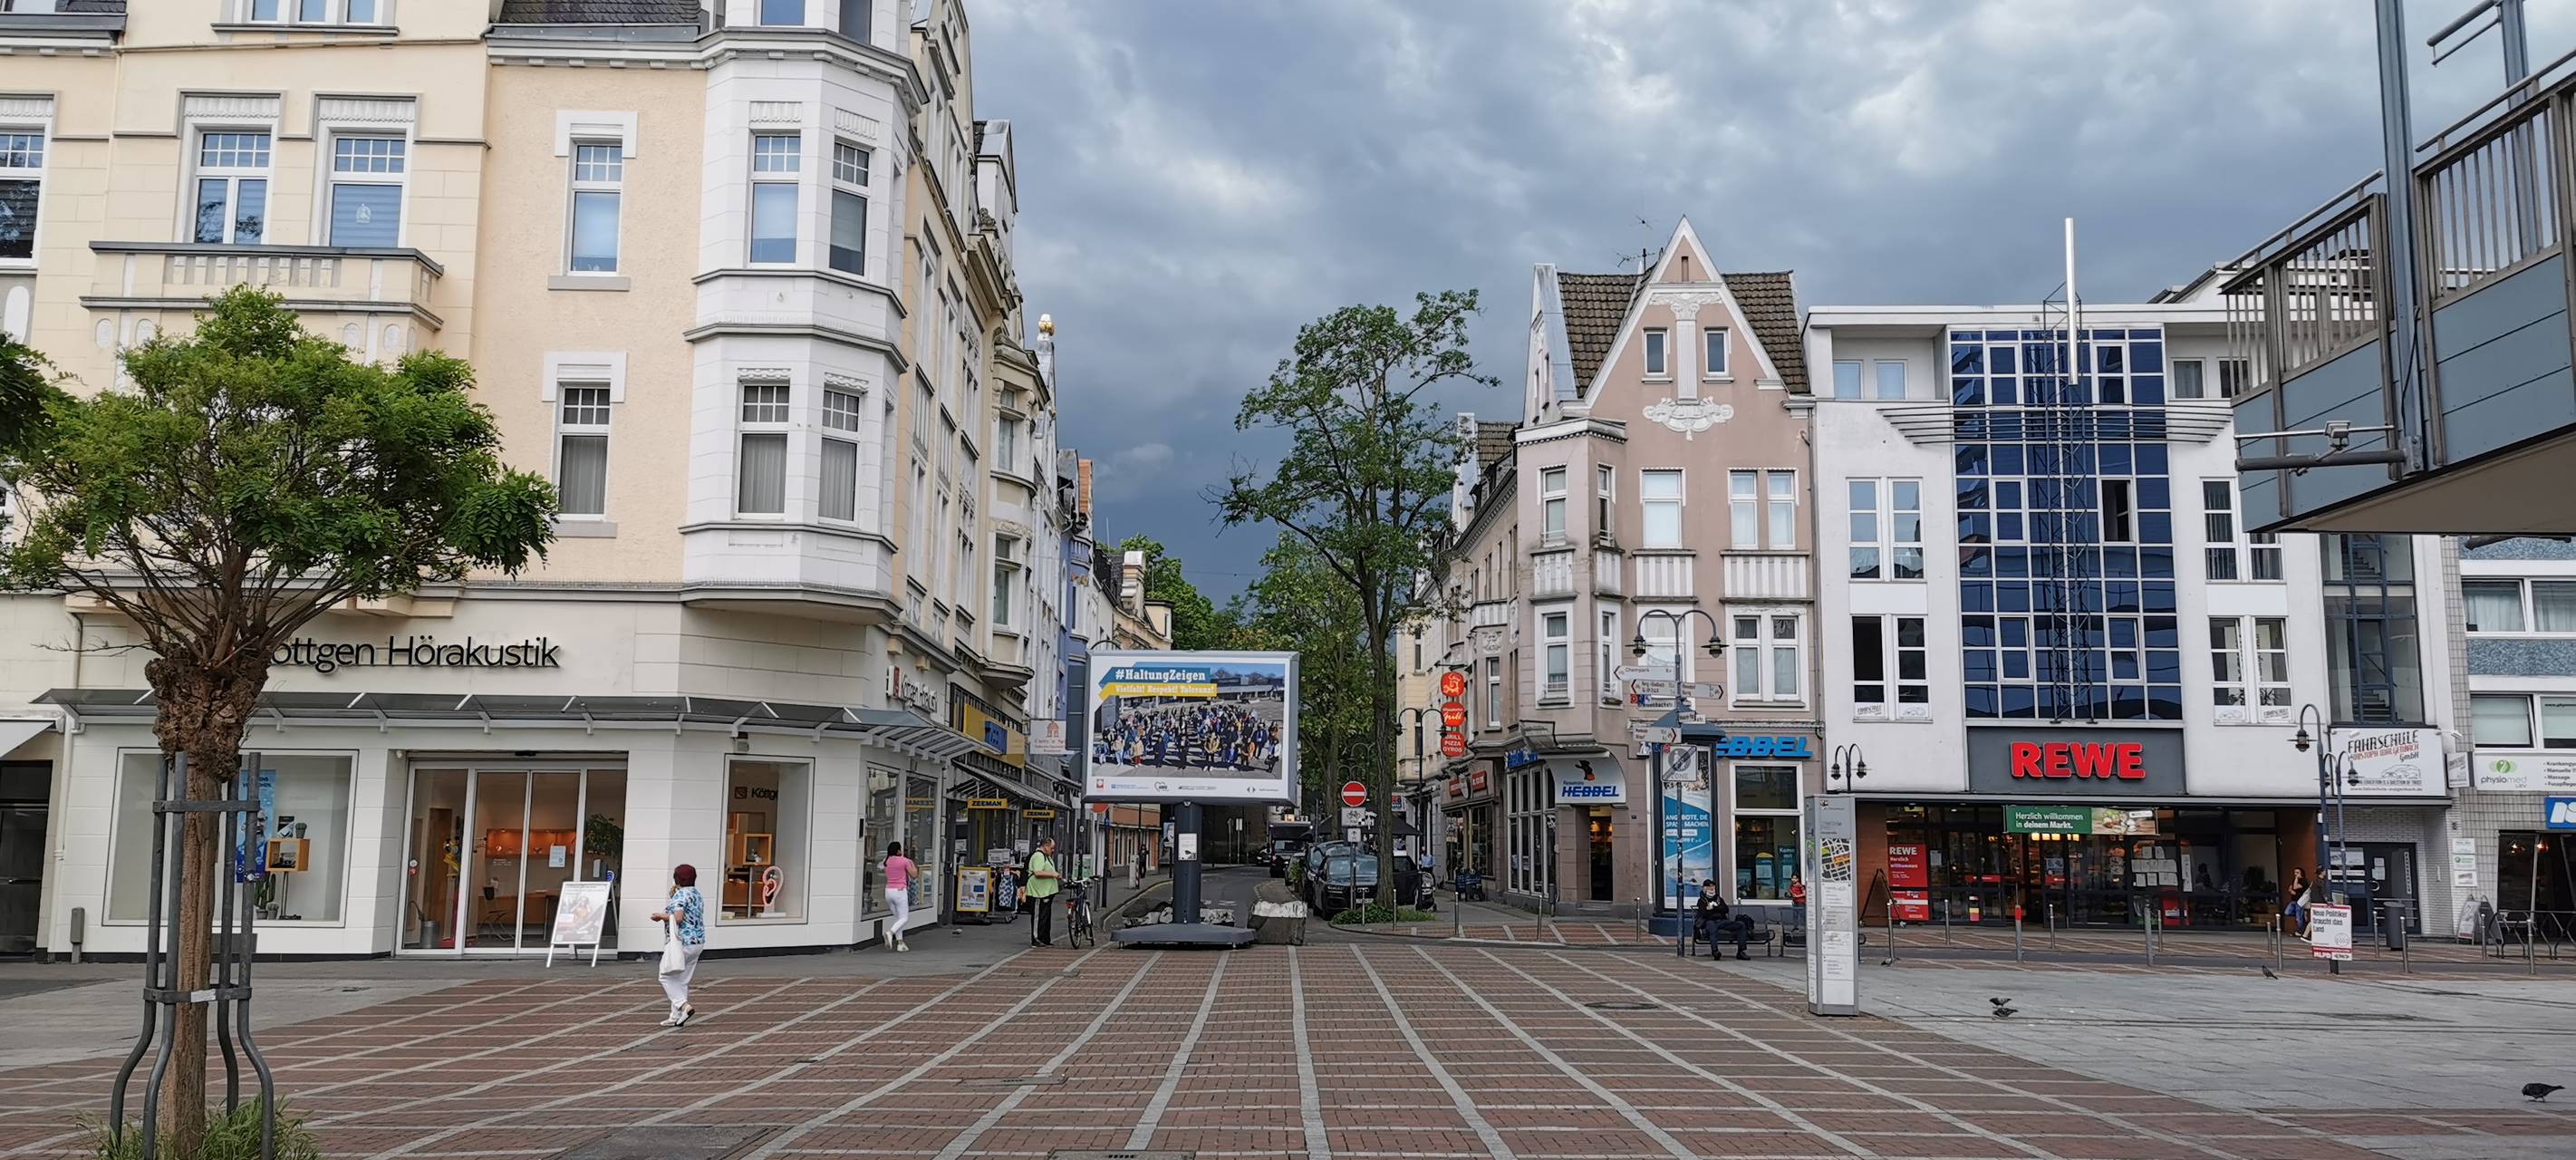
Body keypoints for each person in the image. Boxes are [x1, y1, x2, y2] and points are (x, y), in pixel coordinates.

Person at [648, 864, 707, 1027]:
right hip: (698, 941)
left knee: (665, 975)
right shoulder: (697, 894)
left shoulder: (680, 895)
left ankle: (684, 1006)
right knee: (681, 980)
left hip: (682, 942)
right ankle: (675, 1016)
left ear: (677, 878)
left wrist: (661, 916)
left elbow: (678, 918)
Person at [1693, 878, 1755, 960]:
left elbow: (1725, 909)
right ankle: (1715, 951)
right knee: (1712, 928)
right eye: (1709, 888)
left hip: (1721, 921)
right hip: (1709, 921)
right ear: (1704, 888)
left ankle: (1741, 951)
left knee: (1741, 925)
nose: (1712, 890)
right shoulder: (1701, 901)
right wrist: (1717, 910)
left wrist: (1713, 908)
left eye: (1713, 888)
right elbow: (1705, 914)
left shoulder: (1719, 899)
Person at [1027, 837, 1063, 946]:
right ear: (1045, 846)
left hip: (1046, 892)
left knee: (1045, 915)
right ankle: (1036, 939)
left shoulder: (1046, 857)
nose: (1053, 851)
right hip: (1038, 892)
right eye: (1052, 848)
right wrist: (1053, 875)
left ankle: (1044, 938)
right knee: (1039, 915)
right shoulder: (1038, 856)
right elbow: (1037, 872)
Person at [882, 841, 916, 952]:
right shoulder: (904, 861)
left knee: (898, 918)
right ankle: (890, 933)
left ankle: (900, 943)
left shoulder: (885, 861)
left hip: (888, 891)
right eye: (900, 849)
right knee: (904, 918)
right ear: (898, 851)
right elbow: (914, 875)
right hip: (900, 891)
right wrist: (912, 863)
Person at [2285, 866, 2311, 939]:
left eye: (2297, 873)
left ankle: (2299, 932)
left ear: (2301, 873)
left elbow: (2295, 887)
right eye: (2295, 873)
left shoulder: (2304, 881)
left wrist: (2297, 879)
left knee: (2299, 918)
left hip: (2299, 902)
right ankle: (2301, 915)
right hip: (2293, 900)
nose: (2295, 874)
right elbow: (2291, 887)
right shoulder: (2294, 880)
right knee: (2287, 912)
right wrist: (2291, 891)